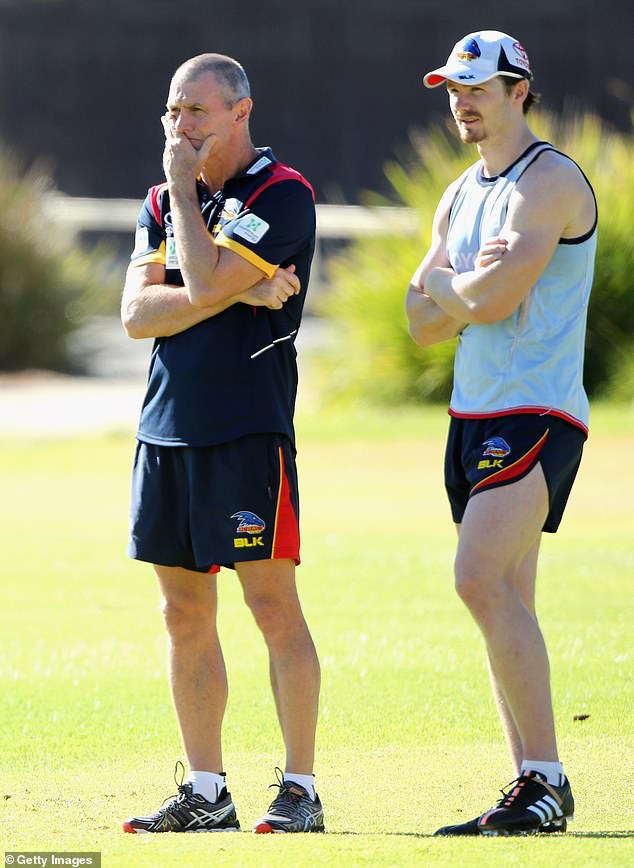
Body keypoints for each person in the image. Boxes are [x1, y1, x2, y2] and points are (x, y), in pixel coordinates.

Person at [120, 53, 324, 835]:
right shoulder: (156, 201)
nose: (180, 127)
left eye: (196, 112)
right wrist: (236, 286)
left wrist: (203, 263)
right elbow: (138, 317)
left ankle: (300, 788)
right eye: (172, 112)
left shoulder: (283, 193)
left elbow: (196, 286)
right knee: (183, 614)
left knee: (271, 605)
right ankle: (207, 791)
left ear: (240, 112)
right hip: (164, 427)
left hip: (247, 429)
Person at [406, 30, 597, 836]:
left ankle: (547, 778)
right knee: (507, 596)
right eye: (454, 89)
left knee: (476, 578)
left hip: (536, 411)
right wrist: (464, 282)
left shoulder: (548, 180)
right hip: (471, 411)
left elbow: (480, 304)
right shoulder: (460, 193)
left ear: (521, 90)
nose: (463, 102)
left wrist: (456, 286)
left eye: (478, 89)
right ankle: (531, 786)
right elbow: (420, 321)